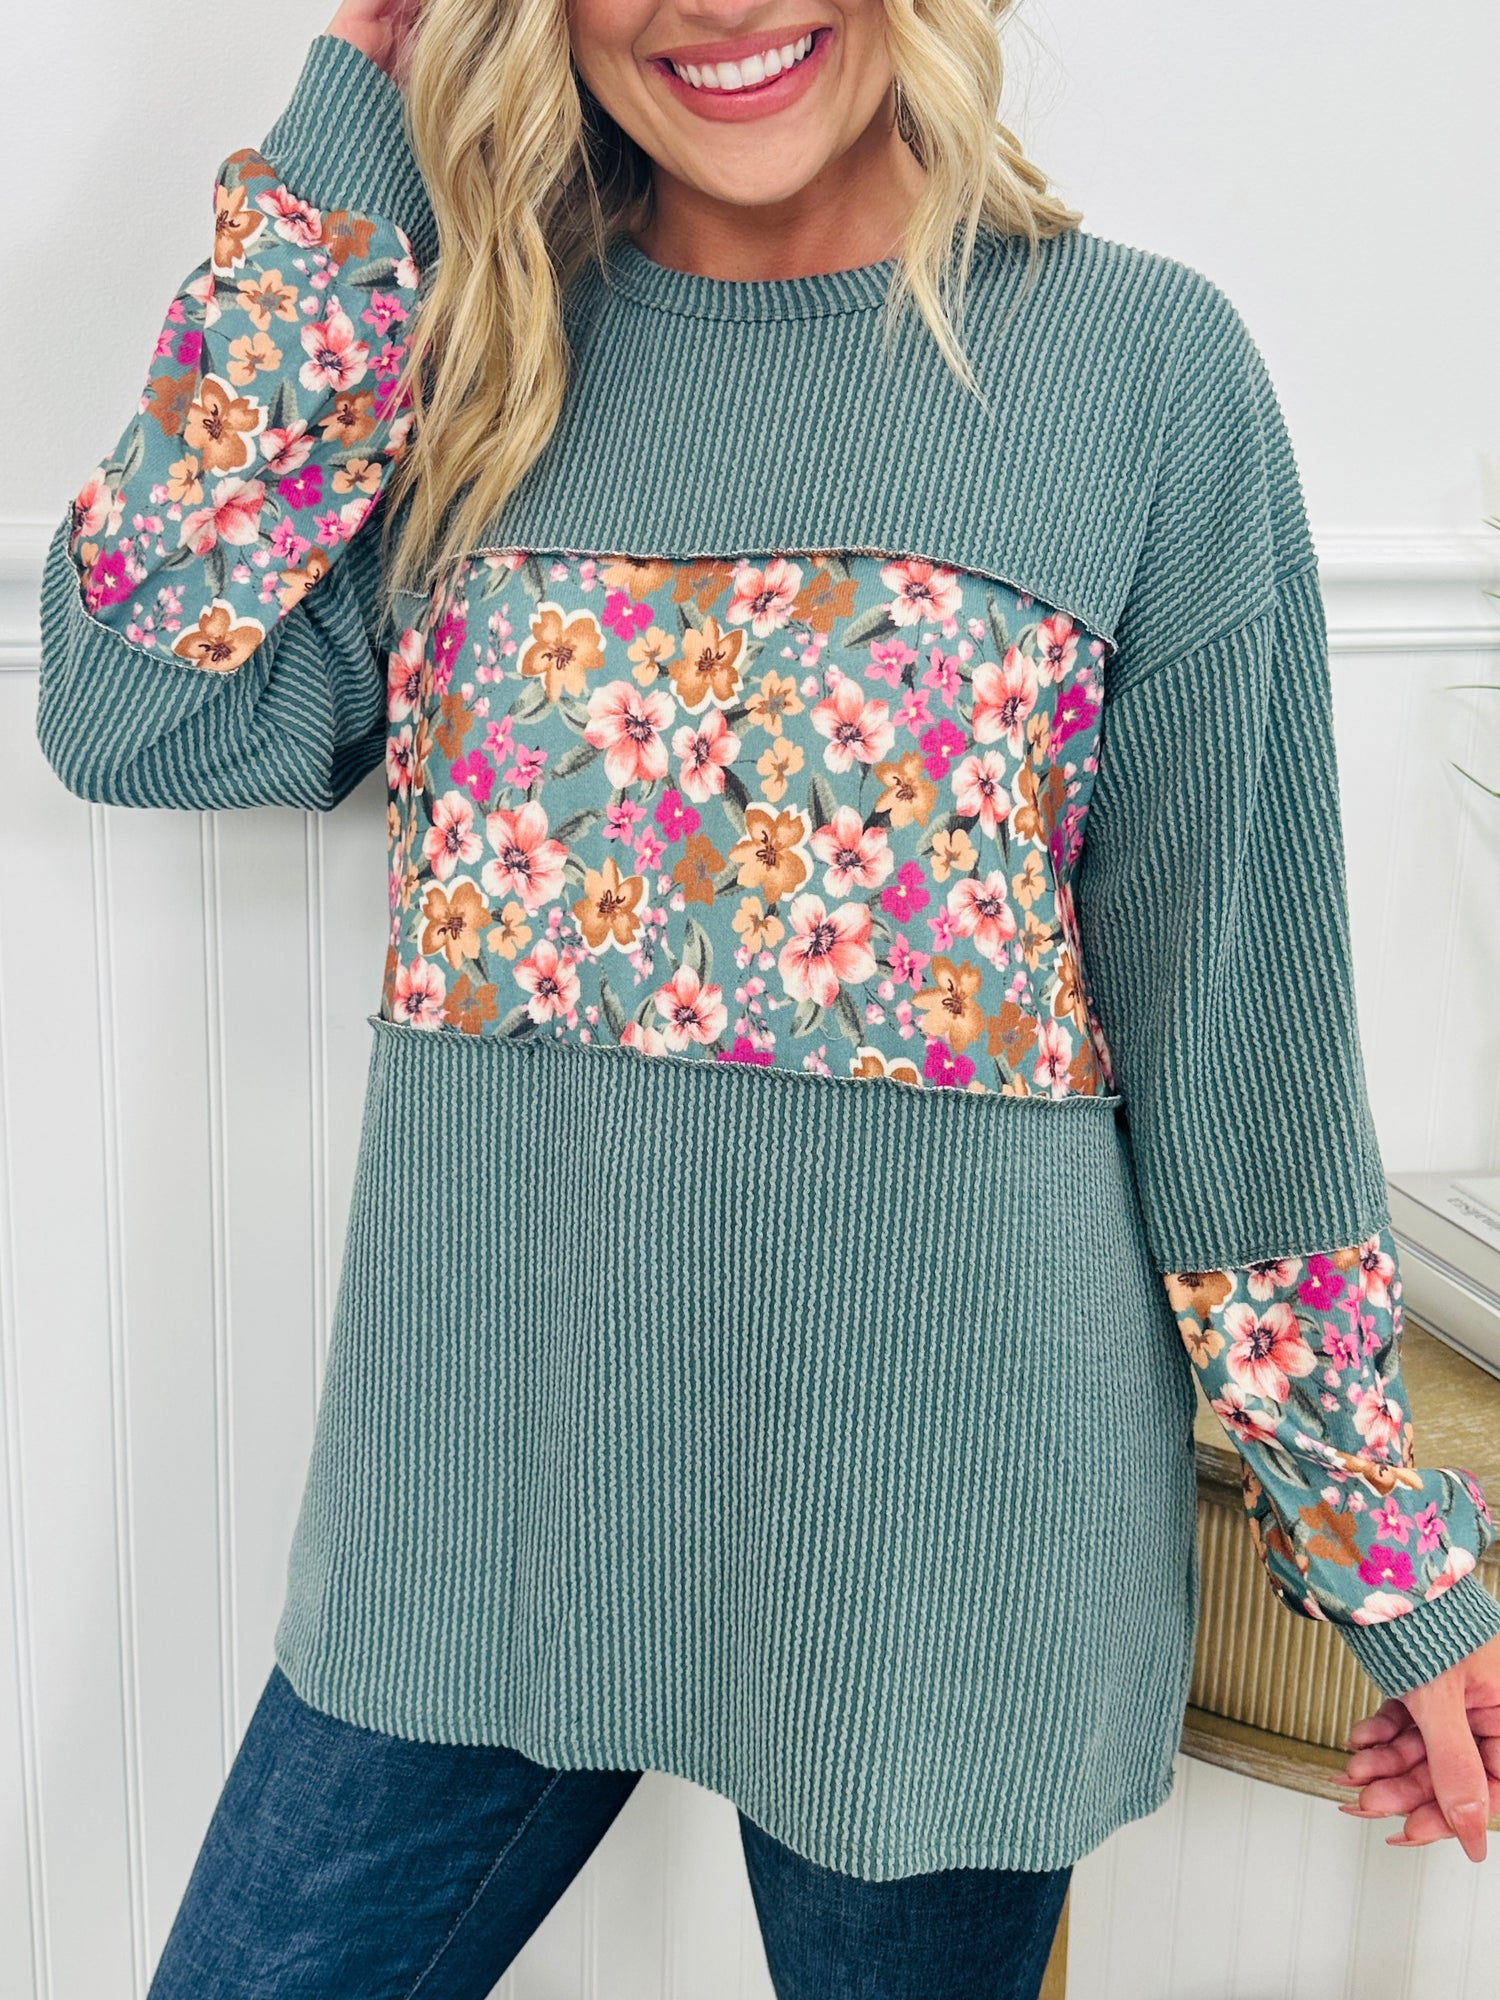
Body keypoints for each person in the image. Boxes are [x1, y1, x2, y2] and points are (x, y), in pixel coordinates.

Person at [35, 0, 1500, 1990]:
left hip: (948, 1555)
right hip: (485, 1503)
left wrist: (1394, 1572)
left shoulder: (1141, 372)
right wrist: (364, 109)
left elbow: (1237, 1044)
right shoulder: (470, 355)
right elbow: (136, 711)